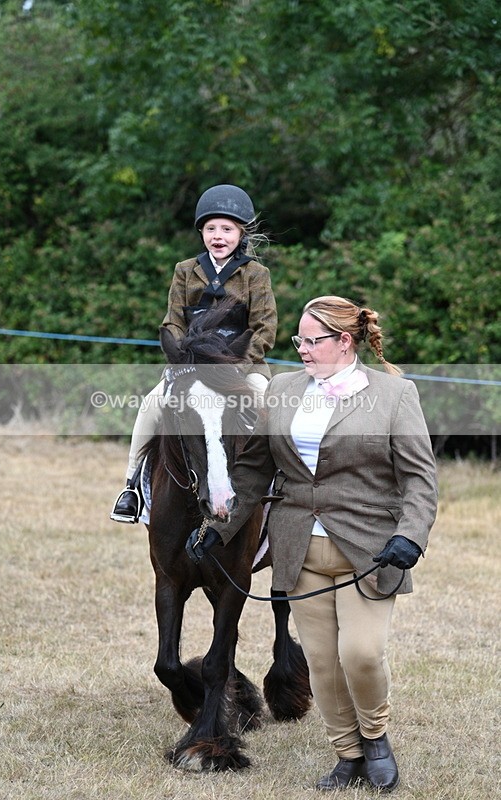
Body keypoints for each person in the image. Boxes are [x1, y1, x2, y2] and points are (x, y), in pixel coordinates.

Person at [186, 295, 438, 792]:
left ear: (344, 342)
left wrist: (410, 535)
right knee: (322, 663)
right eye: (298, 340)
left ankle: (376, 737)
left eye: (311, 340)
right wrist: (222, 527)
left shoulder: (393, 394)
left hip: (370, 549)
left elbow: (419, 478)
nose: (301, 349)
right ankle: (347, 755)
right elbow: (255, 470)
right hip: (299, 547)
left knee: (361, 654)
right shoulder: (282, 388)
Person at [111, 184, 277, 522]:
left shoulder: (256, 275)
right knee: (152, 404)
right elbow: (172, 322)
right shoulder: (185, 270)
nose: (219, 236)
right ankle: (130, 486)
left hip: (241, 364)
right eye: (211, 228)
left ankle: (281, 483)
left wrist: (234, 366)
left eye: (227, 229)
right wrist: (182, 362)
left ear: (240, 233)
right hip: (190, 364)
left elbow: (265, 328)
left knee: (266, 403)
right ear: (202, 232)